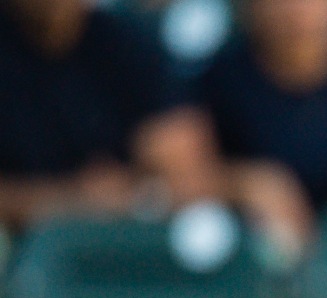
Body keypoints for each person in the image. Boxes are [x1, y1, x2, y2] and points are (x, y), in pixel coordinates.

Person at [192, 0, 327, 246]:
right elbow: (183, 178)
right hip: (249, 252)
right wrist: (245, 184)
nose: (298, 9)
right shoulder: (219, 80)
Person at [0, 0, 227, 227]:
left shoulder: (126, 42)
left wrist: (136, 191)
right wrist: (70, 199)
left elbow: (191, 173)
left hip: (132, 229)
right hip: (23, 237)